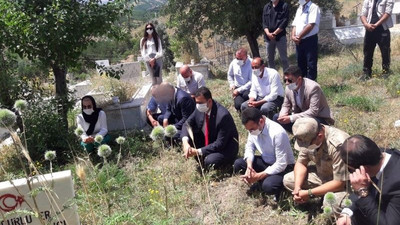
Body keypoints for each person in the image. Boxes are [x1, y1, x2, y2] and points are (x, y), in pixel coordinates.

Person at [283, 118, 349, 214]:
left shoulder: (338, 145)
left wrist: (309, 193)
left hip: (344, 184)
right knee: (289, 180)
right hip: (323, 176)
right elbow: (301, 163)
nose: (305, 147)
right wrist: (298, 188)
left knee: (330, 204)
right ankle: (320, 193)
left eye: (308, 145)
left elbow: (340, 183)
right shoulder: (308, 136)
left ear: (320, 136)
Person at [336, 135, 400, 225]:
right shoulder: (376, 158)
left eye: (351, 170)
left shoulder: (397, 184)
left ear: (364, 169)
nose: (352, 173)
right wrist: (347, 212)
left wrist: (362, 191)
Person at [234, 108, 295, 199]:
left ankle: (279, 187)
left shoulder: (277, 133)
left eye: (251, 129)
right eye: (248, 130)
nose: (250, 132)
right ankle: (261, 181)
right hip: (266, 161)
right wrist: (249, 166)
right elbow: (249, 147)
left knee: (268, 186)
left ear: (261, 121)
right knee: (239, 164)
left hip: (284, 168)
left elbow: (281, 164)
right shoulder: (254, 128)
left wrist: (259, 175)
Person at [181, 87, 239, 170]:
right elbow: (187, 124)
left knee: (209, 161)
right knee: (187, 136)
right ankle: (201, 155)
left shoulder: (223, 116)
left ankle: (222, 163)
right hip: (208, 140)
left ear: (209, 101)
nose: (198, 105)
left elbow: (220, 143)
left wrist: (197, 151)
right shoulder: (199, 109)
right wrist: (185, 143)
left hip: (225, 147)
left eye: (200, 103)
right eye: (196, 102)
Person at [274, 65, 333, 133]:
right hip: (301, 116)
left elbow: (313, 111)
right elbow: (286, 105)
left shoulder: (313, 88)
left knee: (308, 123)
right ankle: (299, 136)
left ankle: (309, 138)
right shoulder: (288, 88)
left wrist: (291, 118)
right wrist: (282, 115)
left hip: (318, 117)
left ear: (299, 79)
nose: (287, 83)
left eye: (290, 80)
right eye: (285, 80)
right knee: (276, 117)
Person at [360, 0, 394, 80]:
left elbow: (387, 13)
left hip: (382, 29)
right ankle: (366, 73)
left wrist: (376, 24)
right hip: (369, 29)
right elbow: (363, 14)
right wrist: (366, 24)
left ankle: (385, 72)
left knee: (385, 51)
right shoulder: (368, 0)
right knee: (367, 51)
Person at [291, 0, 321, 80]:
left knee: (311, 64)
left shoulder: (313, 7)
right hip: (299, 41)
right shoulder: (299, 8)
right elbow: (295, 24)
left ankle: (311, 85)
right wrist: (293, 36)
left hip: (309, 40)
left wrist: (299, 36)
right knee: (300, 64)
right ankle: (302, 85)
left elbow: (311, 25)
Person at [262, 0, 289, 71]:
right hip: (268, 38)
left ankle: (287, 79)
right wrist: (268, 33)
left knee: (284, 59)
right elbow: (264, 23)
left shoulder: (284, 6)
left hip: (280, 37)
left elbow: (285, 22)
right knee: (269, 59)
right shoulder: (266, 7)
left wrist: (275, 33)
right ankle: (272, 79)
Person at [227, 48, 252, 112]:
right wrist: (232, 84)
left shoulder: (251, 63)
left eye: (241, 59)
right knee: (238, 105)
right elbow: (230, 75)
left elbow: (251, 81)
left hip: (248, 88)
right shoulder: (233, 62)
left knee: (246, 96)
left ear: (246, 57)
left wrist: (238, 90)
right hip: (237, 87)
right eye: (237, 58)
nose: (238, 60)